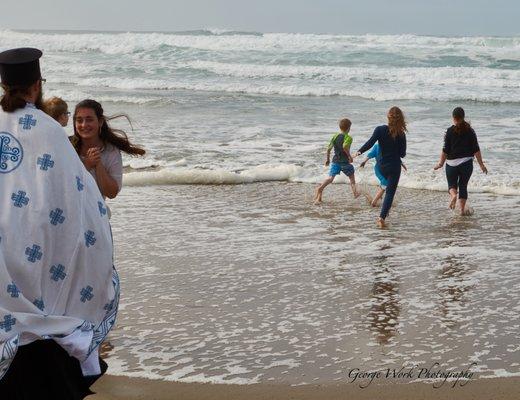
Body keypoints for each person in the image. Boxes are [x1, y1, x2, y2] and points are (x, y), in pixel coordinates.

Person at [0, 47, 119, 399]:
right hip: (35, 243)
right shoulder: (49, 131)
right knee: (45, 321)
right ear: (36, 86)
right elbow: (75, 198)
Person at [70, 99, 145, 200]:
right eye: (79, 120)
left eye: (89, 119)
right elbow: (60, 183)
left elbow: (111, 193)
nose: (84, 125)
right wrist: (87, 164)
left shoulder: (110, 151)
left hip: (95, 212)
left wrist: (98, 164)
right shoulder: (67, 146)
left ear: (100, 122)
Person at [355, 107, 407, 228]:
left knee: (386, 186)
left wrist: (358, 152)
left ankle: (382, 208)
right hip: (394, 166)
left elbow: (370, 143)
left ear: (388, 117)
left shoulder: (380, 130)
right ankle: (381, 217)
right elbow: (402, 154)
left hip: (381, 165)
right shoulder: (401, 134)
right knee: (390, 193)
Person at [434, 107, 487, 215]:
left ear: (453, 118)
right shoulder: (470, 131)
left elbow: (445, 150)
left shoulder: (449, 131)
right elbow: (476, 149)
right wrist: (481, 165)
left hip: (451, 164)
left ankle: (453, 196)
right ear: (463, 117)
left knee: (452, 186)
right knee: (463, 186)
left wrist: (440, 163)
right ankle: (462, 211)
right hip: (466, 164)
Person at [314, 118, 360, 203]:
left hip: (335, 161)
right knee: (351, 177)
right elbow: (345, 146)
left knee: (331, 178)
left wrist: (327, 159)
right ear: (349, 128)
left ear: (340, 127)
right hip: (345, 162)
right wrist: (349, 156)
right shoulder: (348, 137)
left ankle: (320, 188)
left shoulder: (335, 136)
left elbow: (328, 149)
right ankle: (355, 193)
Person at [360, 143, 407, 207]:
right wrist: (364, 162)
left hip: (388, 169)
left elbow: (395, 156)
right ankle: (374, 202)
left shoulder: (390, 145)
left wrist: (402, 164)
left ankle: (379, 197)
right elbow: (370, 155)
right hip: (379, 170)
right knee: (385, 183)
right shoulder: (377, 146)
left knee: (385, 184)